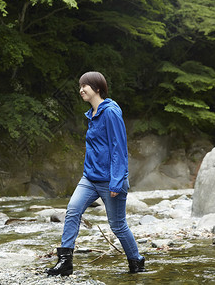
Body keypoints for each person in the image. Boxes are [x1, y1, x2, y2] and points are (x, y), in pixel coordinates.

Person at [45, 71, 145, 276]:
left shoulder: (110, 112)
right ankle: (65, 262)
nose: (81, 90)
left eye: (85, 86)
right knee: (72, 210)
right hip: (90, 178)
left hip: (111, 180)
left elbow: (119, 148)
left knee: (117, 226)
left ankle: (136, 261)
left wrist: (117, 182)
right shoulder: (92, 115)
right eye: (80, 86)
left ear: (97, 88)